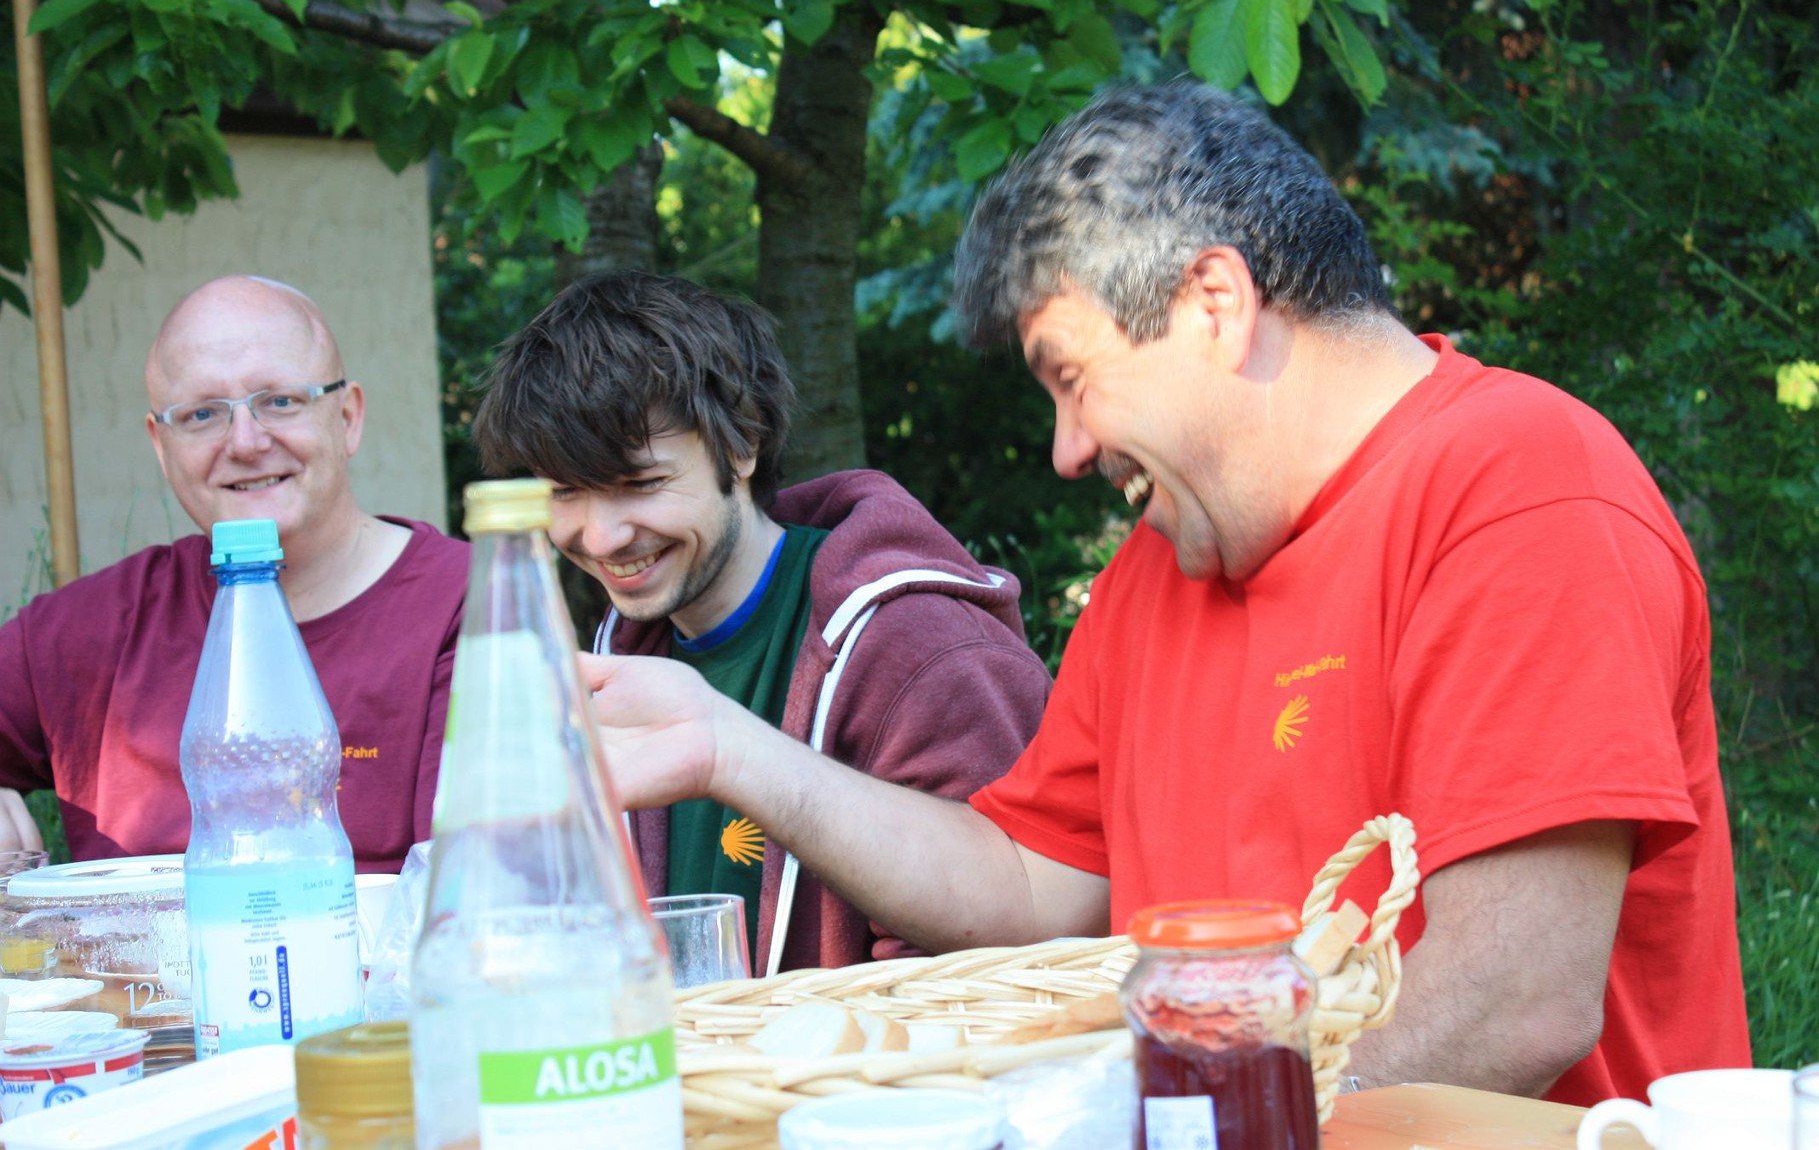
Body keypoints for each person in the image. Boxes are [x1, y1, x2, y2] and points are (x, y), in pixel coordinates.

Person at [577, 84, 1750, 1105]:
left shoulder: (1520, 489)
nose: (1067, 448)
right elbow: (1024, 884)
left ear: (1212, 304)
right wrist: (729, 748)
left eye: (1072, 380)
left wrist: (1203, 1125)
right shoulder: (1163, 566)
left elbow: (1510, 1006)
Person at [471, 270, 1049, 975]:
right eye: (564, 491)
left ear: (741, 444)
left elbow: (993, 976)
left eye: (639, 484)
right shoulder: (617, 657)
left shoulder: (925, 647)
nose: (600, 536)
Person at [0, 275, 467, 872]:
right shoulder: (90, 630)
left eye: (280, 401)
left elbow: (480, 894)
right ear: (161, 447)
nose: (246, 443)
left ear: (347, 417)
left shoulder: (468, 604)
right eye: (202, 414)